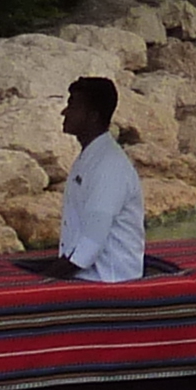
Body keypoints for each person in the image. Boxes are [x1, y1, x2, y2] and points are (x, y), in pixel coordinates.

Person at [56, 76, 145, 282]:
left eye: (73, 106)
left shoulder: (109, 167)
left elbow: (91, 242)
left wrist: (44, 281)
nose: (64, 112)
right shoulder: (91, 156)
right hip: (88, 273)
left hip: (108, 279)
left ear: (93, 116)